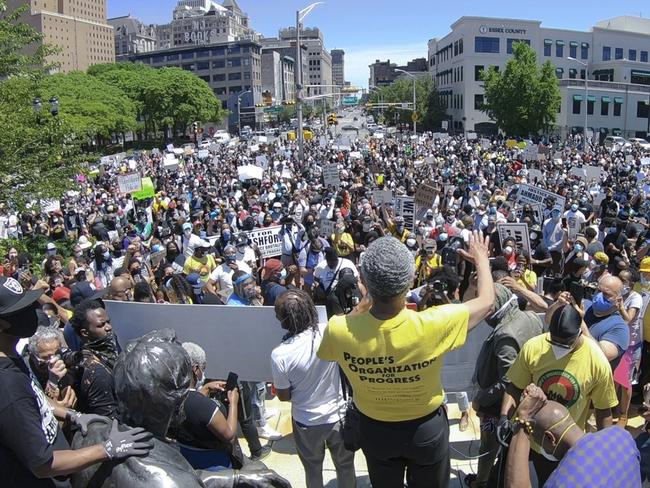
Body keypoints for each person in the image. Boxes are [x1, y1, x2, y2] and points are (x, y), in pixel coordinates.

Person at [318, 232, 495, 487]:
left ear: (364, 282)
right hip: (425, 430)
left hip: (375, 431)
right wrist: (481, 259)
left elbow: (329, 350)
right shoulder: (433, 323)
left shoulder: (338, 330)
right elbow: (487, 301)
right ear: (411, 280)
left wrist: (364, 302)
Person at [0, 276, 152, 487]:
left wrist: (72, 414)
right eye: (19, 312)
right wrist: (107, 448)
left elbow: (35, 397)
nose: (30, 313)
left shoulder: (12, 356)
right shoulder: (7, 384)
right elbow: (44, 464)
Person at [502, 304, 618, 484]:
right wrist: (504, 418)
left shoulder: (597, 362)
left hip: (565, 447)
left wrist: (606, 449)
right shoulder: (534, 347)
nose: (558, 347)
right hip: (530, 438)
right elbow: (515, 387)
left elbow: (603, 410)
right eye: (553, 341)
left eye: (565, 343)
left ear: (579, 334)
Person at [271, 290, 356, 488]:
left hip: (306, 422)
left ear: (283, 320)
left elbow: (283, 396)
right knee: (345, 466)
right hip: (339, 416)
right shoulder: (330, 331)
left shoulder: (279, 354)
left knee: (312, 469)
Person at [468, 284, 543, 488]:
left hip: (495, 406)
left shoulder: (504, 334)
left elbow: (508, 380)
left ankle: (482, 482)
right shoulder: (530, 317)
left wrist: (481, 399)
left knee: (488, 445)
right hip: (523, 399)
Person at [504, 384, 641, 488]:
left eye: (536, 439)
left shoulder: (561, 482)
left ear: (550, 438)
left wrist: (523, 420)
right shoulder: (622, 436)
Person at [174, 342, 245, 468]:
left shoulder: (169, 395)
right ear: (195, 369)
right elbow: (229, 436)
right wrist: (233, 403)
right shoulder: (204, 406)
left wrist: (205, 388)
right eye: (203, 368)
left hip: (185, 458)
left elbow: (190, 403)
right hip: (213, 464)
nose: (203, 372)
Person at [69, 300, 119, 417]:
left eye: (108, 322)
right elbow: (109, 420)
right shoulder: (97, 371)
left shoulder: (106, 354)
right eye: (101, 325)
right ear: (85, 333)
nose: (108, 327)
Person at [581, 274, 630, 368]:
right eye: (598, 291)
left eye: (606, 294)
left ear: (618, 300)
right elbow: (548, 320)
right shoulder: (584, 306)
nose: (599, 296)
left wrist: (580, 322)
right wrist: (559, 304)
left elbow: (601, 355)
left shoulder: (619, 327)